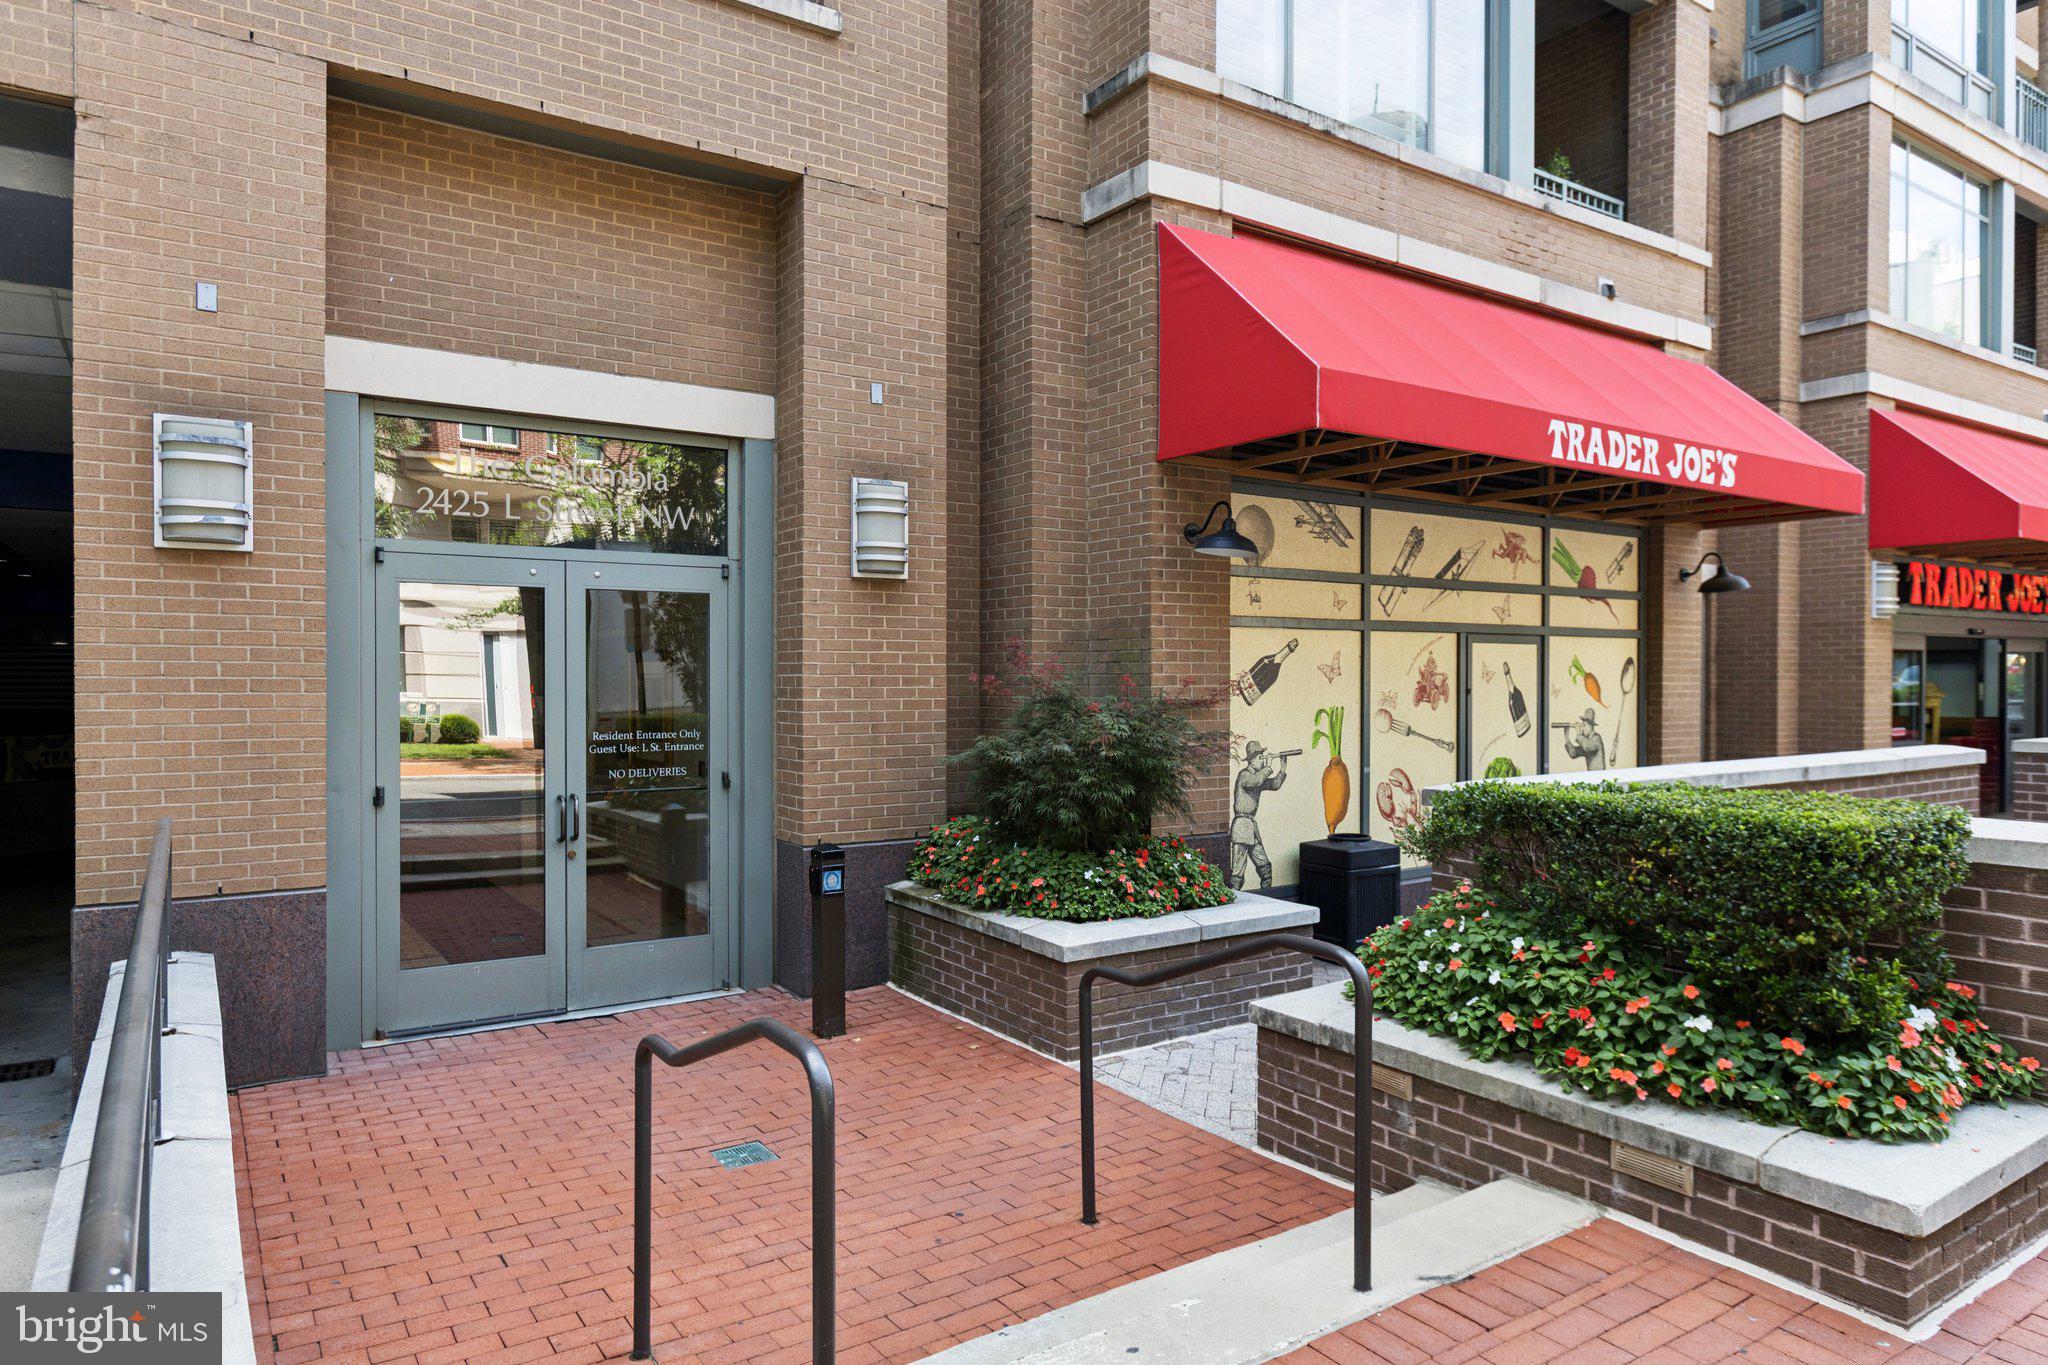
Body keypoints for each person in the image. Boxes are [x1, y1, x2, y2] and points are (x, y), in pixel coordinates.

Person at [1229, 741, 1290, 888]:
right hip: (1242, 827)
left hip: (1251, 827)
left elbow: (1274, 785)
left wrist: (1282, 769)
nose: (1262, 761)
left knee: (1265, 868)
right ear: (1251, 759)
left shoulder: (1258, 777)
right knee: (1237, 873)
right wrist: (1269, 766)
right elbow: (1256, 781)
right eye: (1260, 758)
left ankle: (1267, 897)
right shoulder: (1245, 776)